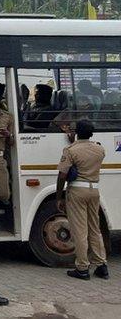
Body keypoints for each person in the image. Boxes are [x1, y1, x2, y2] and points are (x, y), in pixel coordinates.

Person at [56, 119, 108, 280]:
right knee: (95, 229)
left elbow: (63, 174)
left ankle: (82, 268)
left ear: (77, 132)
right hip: (94, 190)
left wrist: (59, 196)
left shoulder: (70, 150)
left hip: (77, 190)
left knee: (80, 231)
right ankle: (101, 265)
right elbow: (86, 153)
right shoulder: (100, 149)